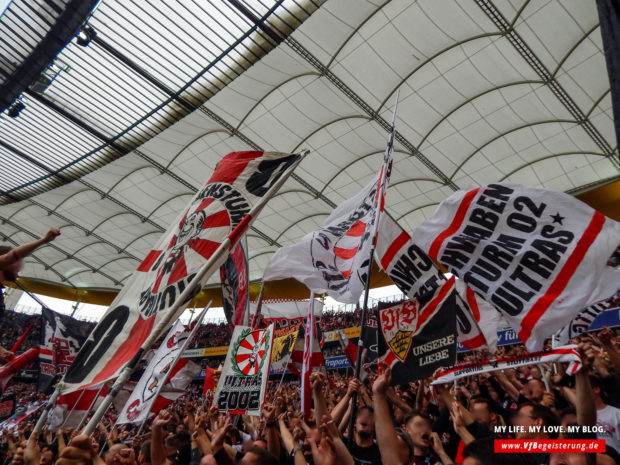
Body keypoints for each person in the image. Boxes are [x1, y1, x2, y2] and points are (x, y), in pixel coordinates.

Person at [0, 227, 60, 361]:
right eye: (17, 262)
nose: (19, 268)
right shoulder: (4, 260)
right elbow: (10, 257)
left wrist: (3, 352)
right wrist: (43, 240)